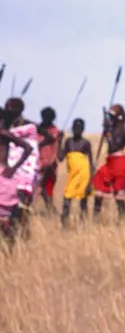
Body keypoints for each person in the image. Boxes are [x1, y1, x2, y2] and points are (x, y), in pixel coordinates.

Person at [3, 98, 40, 236]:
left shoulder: (29, 126)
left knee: (20, 205)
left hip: (25, 170)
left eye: (9, 107)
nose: (6, 109)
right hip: (7, 169)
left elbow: (30, 148)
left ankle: (21, 234)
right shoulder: (5, 124)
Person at [92, 104, 125, 218]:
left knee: (119, 194)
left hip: (120, 163)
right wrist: (107, 130)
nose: (110, 119)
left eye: (112, 116)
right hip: (110, 162)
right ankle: (95, 218)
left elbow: (115, 145)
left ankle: (122, 219)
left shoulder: (124, 130)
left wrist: (108, 133)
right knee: (98, 188)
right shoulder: (111, 129)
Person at [0, 110, 33, 247]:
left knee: (4, 219)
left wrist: (12, 168)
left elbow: (28, 148)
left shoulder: (3, 133)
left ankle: (10, 251)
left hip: (3, 174)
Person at [58, 118, 93, 226]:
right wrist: (59, 142)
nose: (77, 130)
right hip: (72, 175)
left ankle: (83, 224)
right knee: (67, 199)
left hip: (84, 174)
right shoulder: (68, 142)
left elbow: (91, 163)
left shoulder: (86, 143)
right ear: (72, 128)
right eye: (75, 127)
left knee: (83, 201)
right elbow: (60, 158)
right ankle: (64, 226)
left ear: (83, 129)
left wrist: (90, 182)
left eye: (79, 128)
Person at [37, 106, 61, 211]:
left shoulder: (55, 130)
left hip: (50, 162)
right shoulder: (37, 129)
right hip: (38, 160)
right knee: (38, 188)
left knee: (47, 187)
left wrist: (52, 161)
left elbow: (56, 147)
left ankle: (50, 209)